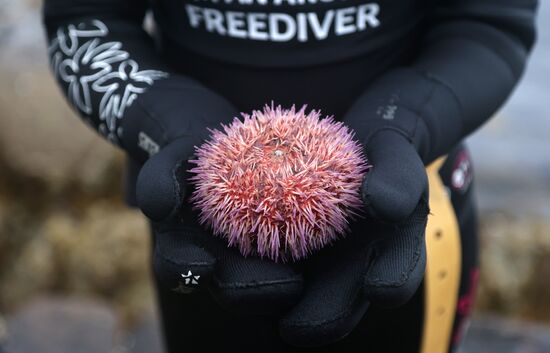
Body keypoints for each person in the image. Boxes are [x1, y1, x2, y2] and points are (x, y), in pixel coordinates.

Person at [42, 0, 537, 352]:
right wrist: (164, 119)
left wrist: (409, 120)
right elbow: (82, 17)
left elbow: (490, 20)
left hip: (403, 203)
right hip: (195, 205)